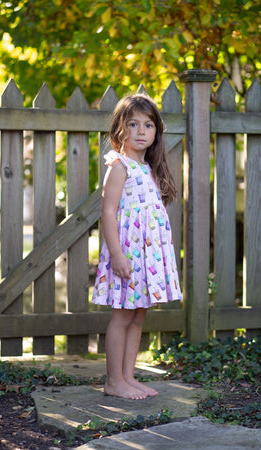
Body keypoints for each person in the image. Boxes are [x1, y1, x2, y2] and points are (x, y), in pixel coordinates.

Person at [92, 93, 182, 400]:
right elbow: (107, 212)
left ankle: (127, 377)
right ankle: (113, 380)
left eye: (148, 124)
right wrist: (117, 254)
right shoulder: (119, 166)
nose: (141, 131)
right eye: (133, 124)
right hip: (127, 255)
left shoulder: (149, 169)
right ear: (120, 129)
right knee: (122, 316)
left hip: (148, 257)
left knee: (139, 314)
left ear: (156, 131)